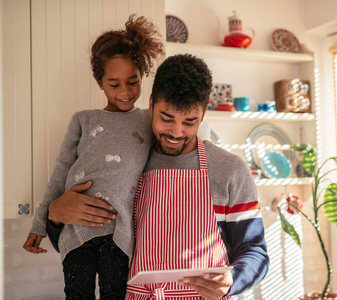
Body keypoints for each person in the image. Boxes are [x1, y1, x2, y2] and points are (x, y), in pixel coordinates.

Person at [22, 14, 165, 299]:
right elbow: (61, 172)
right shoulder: (82, 120)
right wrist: (39, 223)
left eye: (133, 81)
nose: (125, 91)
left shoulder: (149, 121)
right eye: (114, 84)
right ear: (99, 82)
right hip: (75, 232)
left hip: (120, 233)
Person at [125, 54, 269, 300]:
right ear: (151, 105)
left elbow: (255, 250)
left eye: (189, 122)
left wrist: (233, 279)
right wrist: (55, 218)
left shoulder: (230, 169)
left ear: (203, 114)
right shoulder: (129, 163)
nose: (176, 132)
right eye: (166, 118)